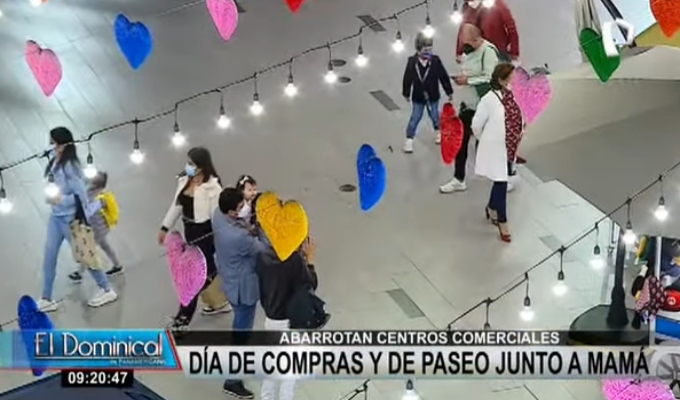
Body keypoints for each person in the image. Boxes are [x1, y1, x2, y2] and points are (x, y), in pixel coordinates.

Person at [39, 127, 117, 312]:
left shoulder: (71, 167)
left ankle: (106, 289)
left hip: (70, 219)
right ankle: (46, 297)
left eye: (54, 143)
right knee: (49, 256)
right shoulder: (55, 161)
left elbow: (81, 197)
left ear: (62, 144)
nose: (52, 146)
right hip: (56, 217)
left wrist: (60, 200)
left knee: (85, 255)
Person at [157, 147, 229, 329]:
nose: (187, 166)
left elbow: (217, 217)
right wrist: (165, 227)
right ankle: (218, 302)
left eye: (191, 163)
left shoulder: (213, 188)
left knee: (195, 277)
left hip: (205, 234)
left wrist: (221, 241)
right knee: (201, 274)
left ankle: (184, 317)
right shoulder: (184, 181)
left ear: (201, 166)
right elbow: (176, 206)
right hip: (189, 231)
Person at [212, 187, 267, 399]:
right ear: (231, 211)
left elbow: (241, 227)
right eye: (241, 206)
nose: (245, 207)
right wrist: (261, 226)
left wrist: (247, 225)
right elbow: (263, 249)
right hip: (243, 289)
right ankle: (232, 380)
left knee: (240, 327)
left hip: (230, 278)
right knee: (242, 332)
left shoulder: (218, 214)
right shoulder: (237, 237)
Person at [257, 236, 320, 400]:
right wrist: (309, 262)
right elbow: (311, 284)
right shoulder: (294, 260)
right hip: (289, 322)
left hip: (271, 318)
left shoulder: (263, 255)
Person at [440, 24, 499, 193]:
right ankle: (459, 179)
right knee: (461, 142)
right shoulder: (469, 51)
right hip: (468, 105)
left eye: (467, 42)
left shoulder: (488, 52)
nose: (465, 45)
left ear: (476, 39)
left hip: (483, 106)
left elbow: (489, 77)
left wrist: (468, 81)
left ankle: (505, 174)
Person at [472, 63, 519, 243]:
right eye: (510, 78)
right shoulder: (489, 100)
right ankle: (502, 221)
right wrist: (485, 139)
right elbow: (476, 125)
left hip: (509, 146)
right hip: (494, 147)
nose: (513, 81)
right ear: (501, 80)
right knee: (501, 182)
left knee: (501, 180)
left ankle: (492, 207)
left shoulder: (512, 95)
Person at [402, 32, 454, 153]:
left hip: (433, 95)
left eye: (430, 49)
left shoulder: (435, 61)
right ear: (418, 50)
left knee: (435, 115)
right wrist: (406, 92)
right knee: (415, 118)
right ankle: (409, 140)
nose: (428, 53)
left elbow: (443, 76)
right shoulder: (412, 62)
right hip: (418, 97)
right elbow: (407, 78)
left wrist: (449, 91)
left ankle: (438, 131)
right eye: (425, 50)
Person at [84, 172, 124, 276]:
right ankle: (117, 265)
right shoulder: (91, 190)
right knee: (105, 246)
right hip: (96, 226)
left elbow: (89, 212)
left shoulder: (100, 198)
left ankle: (79, 273)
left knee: (89, 249)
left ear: (96, 184)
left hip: (99, 228)